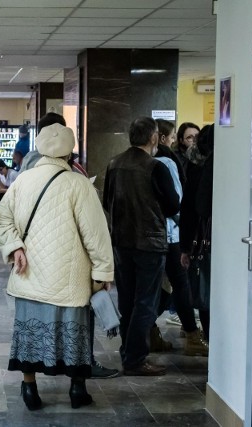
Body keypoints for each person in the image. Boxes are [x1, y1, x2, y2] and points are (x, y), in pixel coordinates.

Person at [0, 123, 114, 410]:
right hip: (69, 278)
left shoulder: (23, 180)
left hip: (29, 275)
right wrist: (103, 272)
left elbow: (1, 219)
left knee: (29, 332)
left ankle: (30, 389)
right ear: (70, 150)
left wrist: (15, 247)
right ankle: (76, 390)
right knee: (74, 332)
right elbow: (96, 235)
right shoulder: (79, 184)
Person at [103, 117, 180, 376]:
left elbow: (107, 200)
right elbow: (172, 205)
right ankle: (135, 359)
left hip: (121, 241)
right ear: (154, 138)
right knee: (146, 303)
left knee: (127, 301)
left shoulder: (114, 164)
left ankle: (129, 354)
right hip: (149, 242)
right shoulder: (155, 167)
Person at [153, 145, 209, 357]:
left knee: (159, 286)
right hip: (171, 233)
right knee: (180, 283)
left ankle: (148, 332)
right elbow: (177, 202)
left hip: (147, 236)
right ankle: (192, 335)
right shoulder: (166, 163)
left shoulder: (122, 163)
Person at [180, 124, 215, 342]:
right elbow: (199, 207)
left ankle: (210, 341)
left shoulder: (192, 163)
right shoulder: (215, 165)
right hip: (211, 237)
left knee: (206, 292)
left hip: (200, 239)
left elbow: (188, 209)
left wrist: (185, 247)